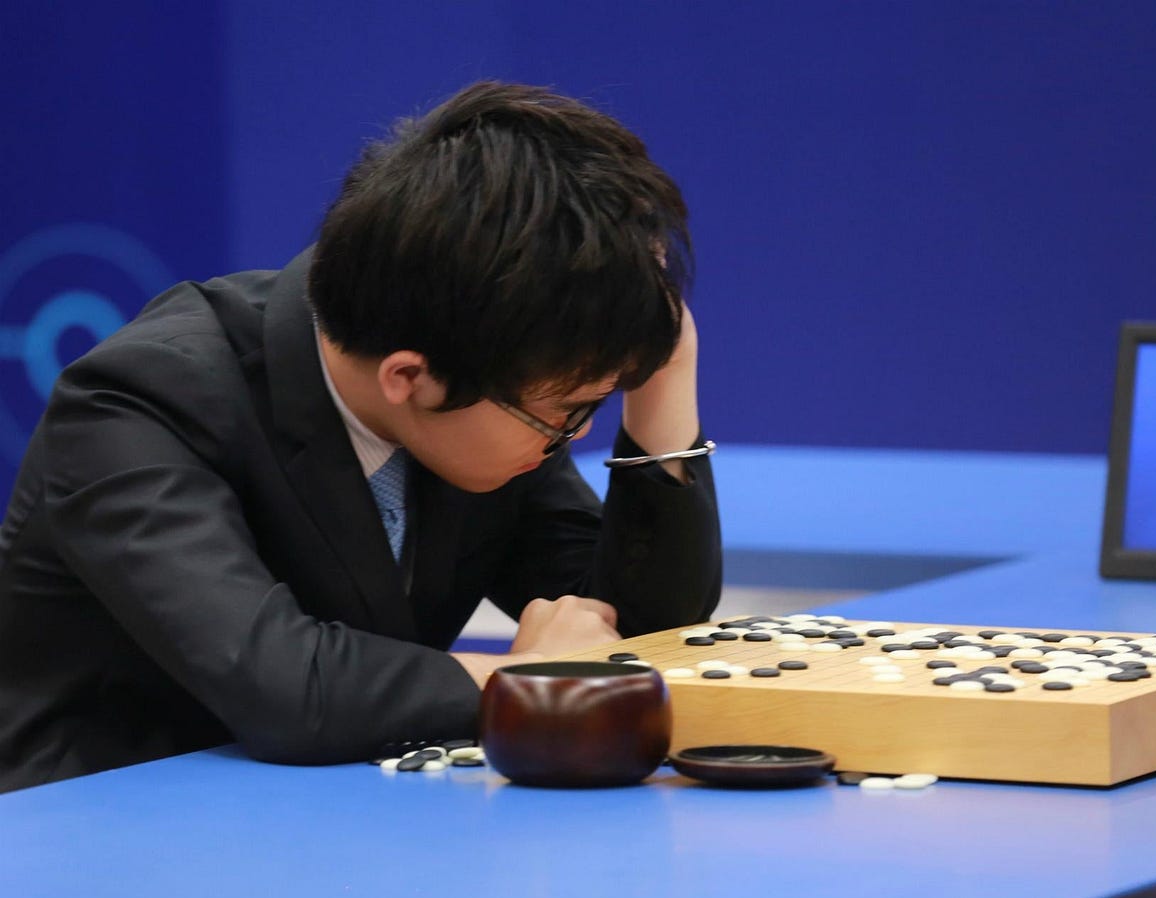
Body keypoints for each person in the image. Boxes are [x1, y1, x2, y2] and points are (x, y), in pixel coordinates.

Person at [0, 81, 721, 792]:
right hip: (95, 841)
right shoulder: (137, 403)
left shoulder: (479, 356)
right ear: (409, 378)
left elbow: (636, 633)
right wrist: (525, 680)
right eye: (565, 412)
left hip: (326, 827)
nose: (576, 433)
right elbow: (281, 687)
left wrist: (663, 368)